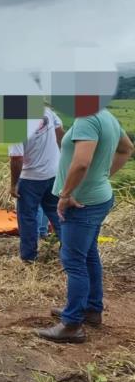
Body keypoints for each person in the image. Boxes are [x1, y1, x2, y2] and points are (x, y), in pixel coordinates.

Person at [36, 109, 133, 344]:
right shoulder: (105, 115)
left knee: (73, 261)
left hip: (81, 203)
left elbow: (81, 163)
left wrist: (65, 194)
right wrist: (102, 176)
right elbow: (126, 148)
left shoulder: (87, 119)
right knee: (88, 255)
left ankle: (71, 324)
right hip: (97, 198)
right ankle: (91, 309)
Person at [9, 106, 64, 262]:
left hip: (30, 178)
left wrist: (14, 184)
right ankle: (69, 249)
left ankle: (29, 256)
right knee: (57, 213)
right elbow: (60, 133)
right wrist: (60, 161)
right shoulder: (46, 111)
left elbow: (17, 158)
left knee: (27, 217)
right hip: (53, 173)